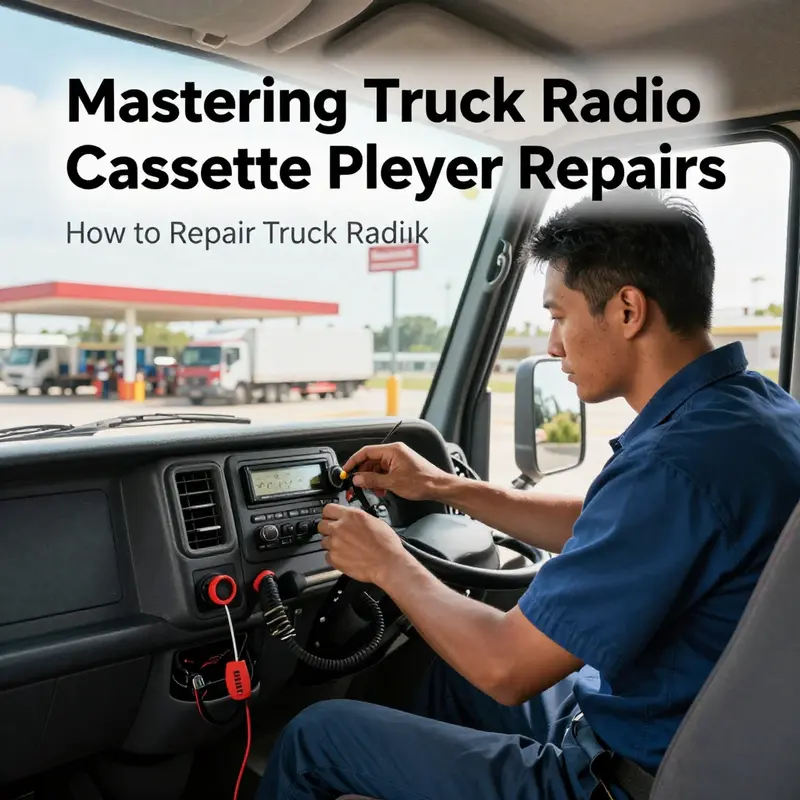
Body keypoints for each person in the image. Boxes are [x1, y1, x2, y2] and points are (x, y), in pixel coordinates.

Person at [256, 190, 800, 800]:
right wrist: (440, 485)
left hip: (621, 779)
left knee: (316, 738)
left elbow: (506, 667)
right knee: (445, 680)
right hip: (681, 733)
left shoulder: (675, 466)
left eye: (559, 315)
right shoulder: (757, 414)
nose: (552, 345)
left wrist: (386, 560)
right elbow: (606, 526)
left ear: (627, 310)